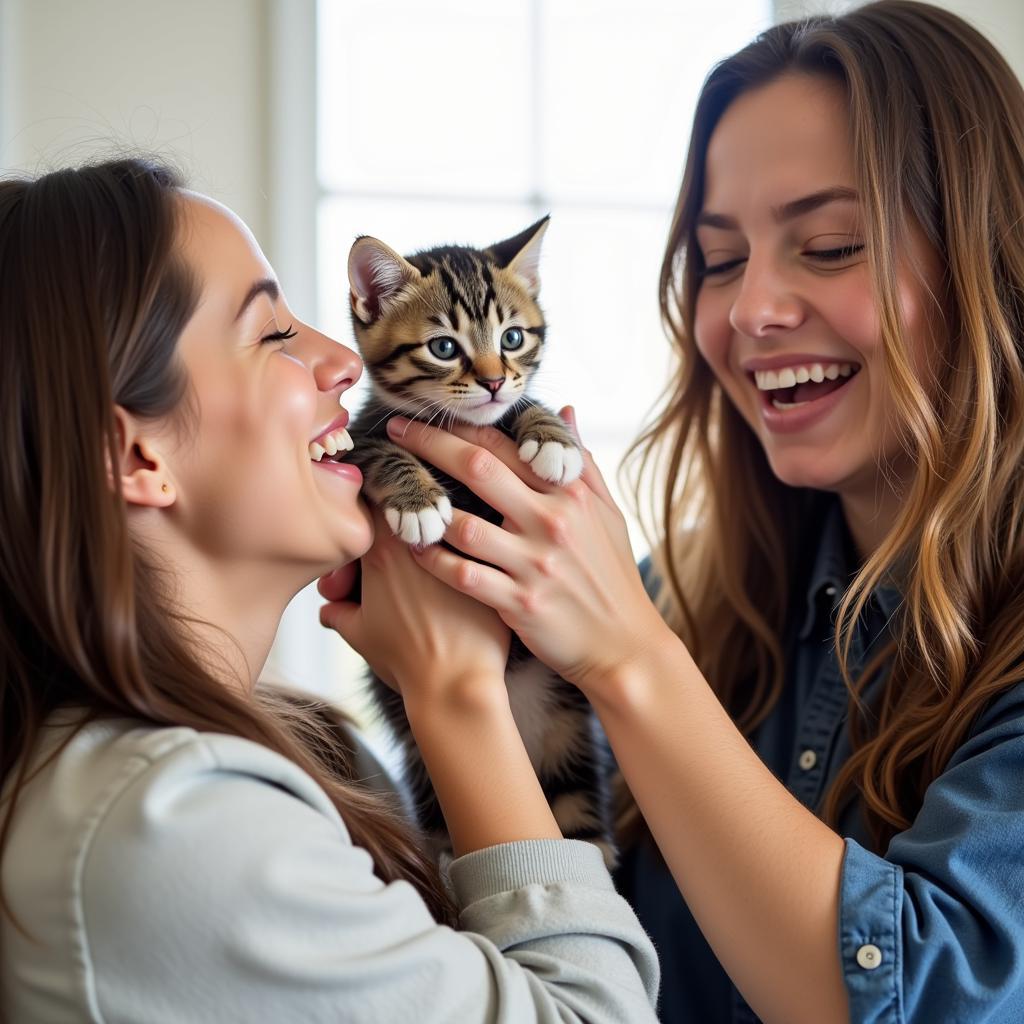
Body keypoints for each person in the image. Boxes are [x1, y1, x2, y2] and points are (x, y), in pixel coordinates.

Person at [352, 2, 1024, 1021]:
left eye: (831, 244)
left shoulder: (635, 622)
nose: (751, 309)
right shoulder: (695, 596)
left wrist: (625, 657)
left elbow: (932, 998)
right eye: (717, 259)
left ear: (989, 254)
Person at [0, 158, 660, 1022]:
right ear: (136, 457)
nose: (344, 359)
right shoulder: (172, 822)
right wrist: (456, 688)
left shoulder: (303, 755)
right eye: (274, 332)